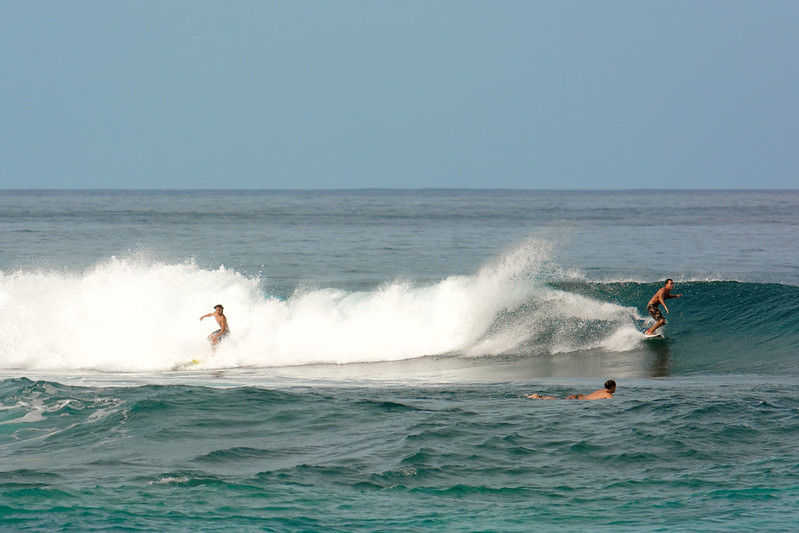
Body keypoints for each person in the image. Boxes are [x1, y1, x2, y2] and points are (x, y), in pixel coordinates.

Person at [526, 380, 616, 400]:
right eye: (615, 386)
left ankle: (540, 397)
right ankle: (538, 397)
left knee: (559, 399)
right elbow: (610, 402)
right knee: (558, 400)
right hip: (579, 400)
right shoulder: (608, 395)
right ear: (612, 387)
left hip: (579, 396)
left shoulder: (601, 391)